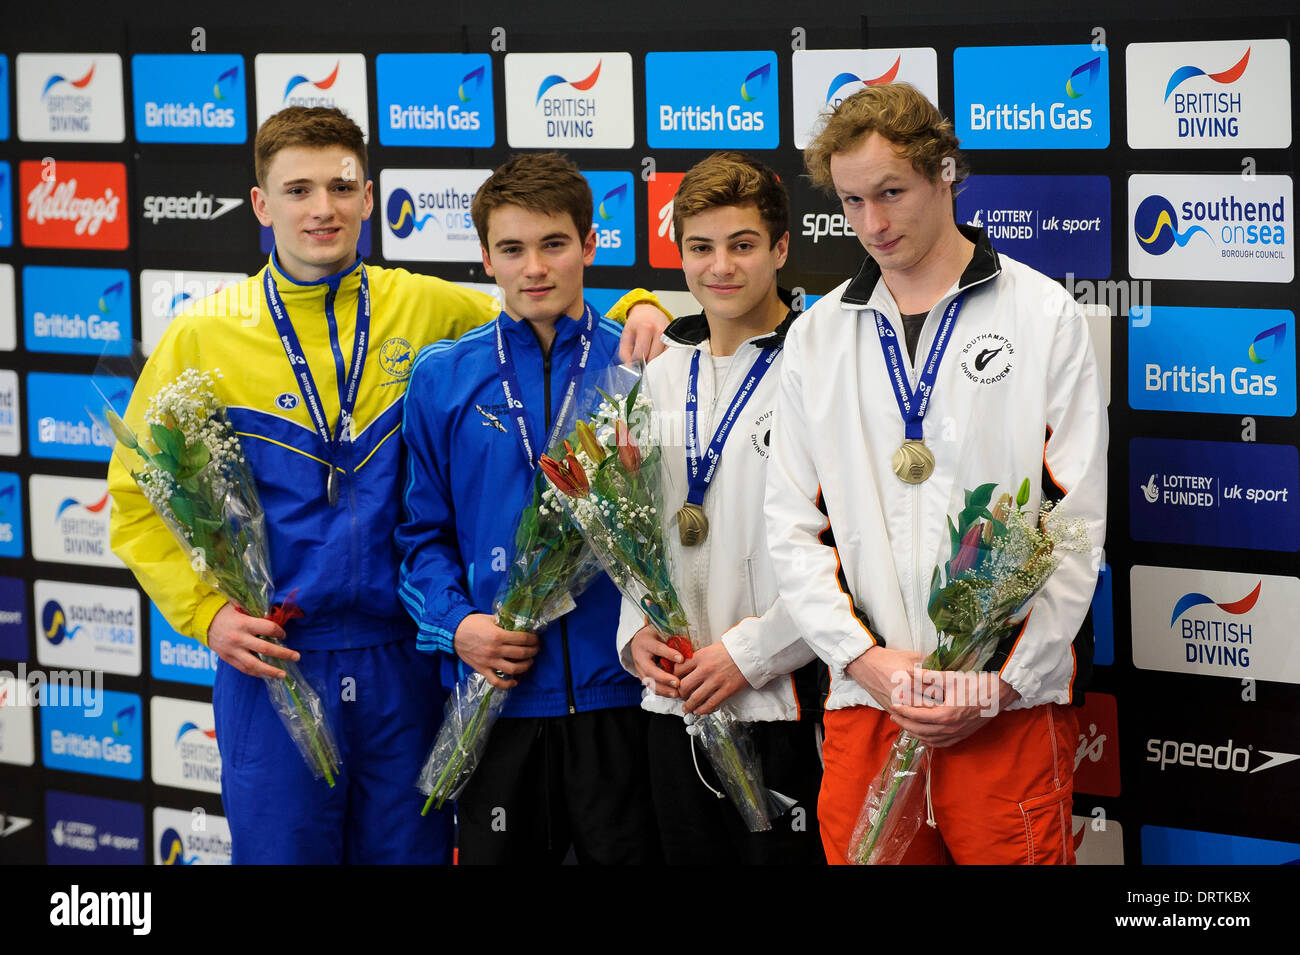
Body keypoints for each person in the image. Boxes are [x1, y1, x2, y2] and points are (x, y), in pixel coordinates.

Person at [107, 107, 668, 865]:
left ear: (369, 197)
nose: (322, 208)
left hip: (404, 664)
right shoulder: (201, 334)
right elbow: (138, 496)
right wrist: (205, 613)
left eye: (341, 186)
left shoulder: (424, 304)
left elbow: (551, 308)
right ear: (261, 205)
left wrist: (642, 306)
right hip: (279, 664)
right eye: (297, 189)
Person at [765, 84, 1106, 865]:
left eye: (892, 193)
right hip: (870, 698)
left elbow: (1074, 521)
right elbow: (792, 526)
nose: (873, 224)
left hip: (1004, 712)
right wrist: (863, 660)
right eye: (852, 200)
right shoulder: (816, 337)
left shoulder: (1043, 314)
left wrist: (1001, 682)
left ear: (944, 173)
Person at [396, 151, 663, 865]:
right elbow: (419, 538)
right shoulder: (442, 378)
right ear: (486, 257)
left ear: (591, 245)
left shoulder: (644, 368)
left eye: (554, 244)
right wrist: (459, 627)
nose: (534, 267)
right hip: (499, 697)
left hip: (623, 700)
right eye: (512, 248)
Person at [615, 151, 825, 864]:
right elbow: (635, 529)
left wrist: (751, 653)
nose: (721, 267)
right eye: (701, 247)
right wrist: (636, 629)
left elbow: (851, 554)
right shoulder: (657, 373)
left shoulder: (820, 367)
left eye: (742, 245)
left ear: (782, 248)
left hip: (786, 702)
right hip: (673, 702)